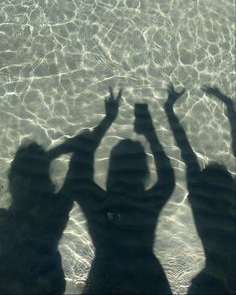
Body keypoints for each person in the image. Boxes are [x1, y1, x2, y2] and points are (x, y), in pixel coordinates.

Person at [69, 88, 175, 294]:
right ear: (144, 172)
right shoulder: (147, 203)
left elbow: (78, 168)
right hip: (147, 277)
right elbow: (168, 177)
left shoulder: (98, 203)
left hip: (106, 277)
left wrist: (107, 120)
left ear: (111, 169)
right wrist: (150, 133)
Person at [164, 84, 236, 295]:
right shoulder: (224, 194)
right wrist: (228, 104)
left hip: (213, 276)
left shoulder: (199, 191)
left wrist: (169, 108)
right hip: (216, 275)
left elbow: (185, 149)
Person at [0, 135, 80, 294]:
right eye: (23, 175)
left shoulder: (52, 219)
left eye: (35, 177)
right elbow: (81, 153)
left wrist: (49, 156)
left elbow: (81, 153)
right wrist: (48, 157)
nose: (28, 183)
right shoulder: (52, 220)